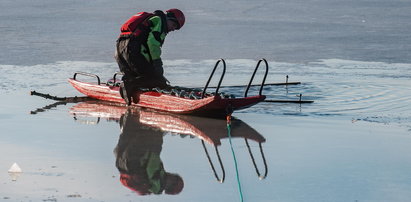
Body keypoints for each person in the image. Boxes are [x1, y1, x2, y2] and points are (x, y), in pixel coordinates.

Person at [115, 9, 185, 105]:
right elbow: (153, 44)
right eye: (173, 25)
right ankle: (129, 84)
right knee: (157, 80)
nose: (173, 29)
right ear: (169, 19)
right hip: (132, 51)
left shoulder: (152, 19)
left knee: (137, 75)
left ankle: (129, 83)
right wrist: (157, 63)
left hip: (120, 50)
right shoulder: (160, 21)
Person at [114, 109, 184, 195]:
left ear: (172, 184)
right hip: (121, 163)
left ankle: (132, 108)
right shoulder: (149, 187)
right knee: (127, 131)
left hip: (133, 160)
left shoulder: (159, 182)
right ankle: (128, 109)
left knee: (135, 131)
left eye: (175, 178)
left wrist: (157, 134)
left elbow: (152, 160)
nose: (172, 175)